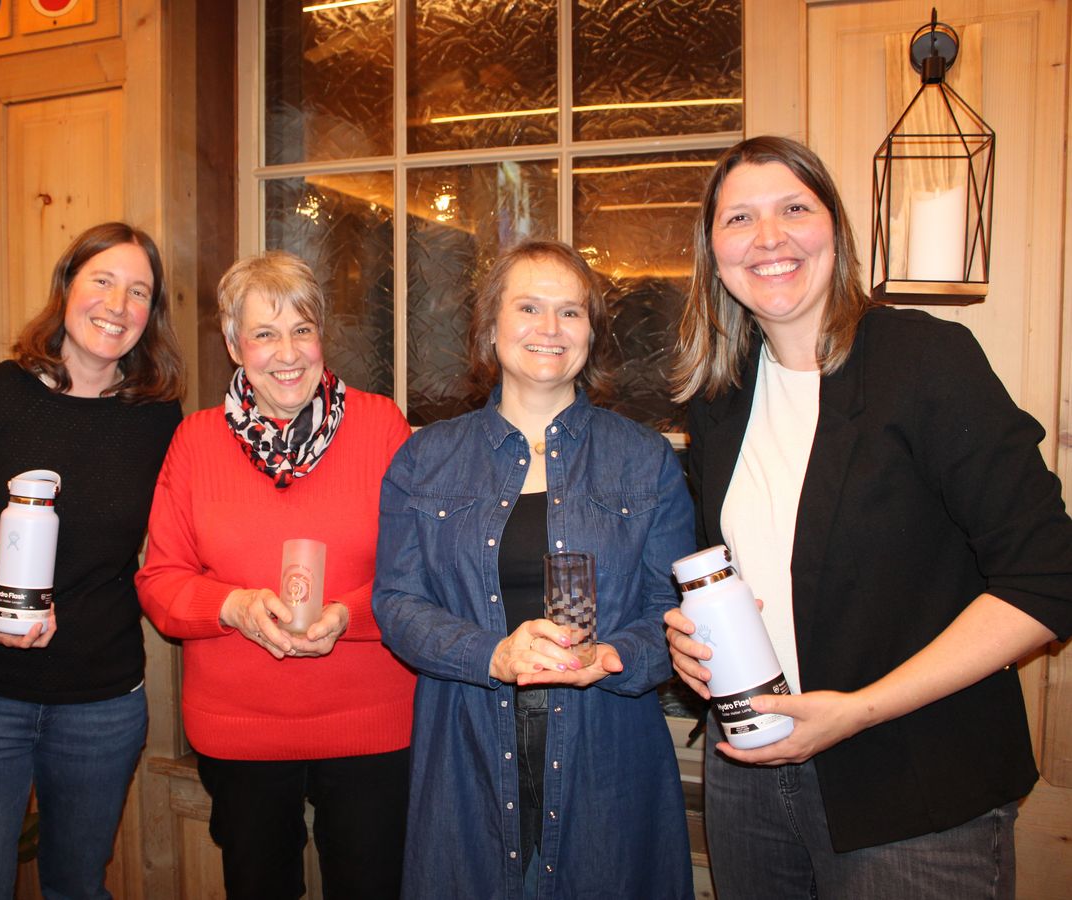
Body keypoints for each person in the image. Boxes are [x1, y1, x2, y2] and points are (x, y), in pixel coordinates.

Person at [667, 135, 1072, 899]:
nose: (769, 237)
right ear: (713, 255)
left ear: (836, 230)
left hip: (912, 785)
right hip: (751, 778)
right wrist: (692, 641)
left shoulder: (924, 361)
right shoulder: (719, 402)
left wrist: (858, 712)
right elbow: (743, 576)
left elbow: (1048, 580)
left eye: (794, 209)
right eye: (740, 218)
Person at [372, 240, 695, 899]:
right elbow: (397, 603)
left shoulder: (645, 460)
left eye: (570, 312)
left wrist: (613, 654)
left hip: (608, 756)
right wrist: (492, 654)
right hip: (466, 752)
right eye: (528, 307)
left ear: (591, 335)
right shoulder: (424, 460)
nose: (550, 327)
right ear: (490, 327)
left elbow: (673, 608)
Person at [0, 222, 185, 899]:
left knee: (78, 888)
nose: (117, 305)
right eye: (102, 281)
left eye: (139, 292)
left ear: (151, 313)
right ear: (66, 287)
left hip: (101, 703)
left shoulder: (159, 420)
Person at [135, 251, 415, 900]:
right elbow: (160, 580)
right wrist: (231, 607)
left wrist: (348, 615)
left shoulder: (381, 426)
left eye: (301, 330)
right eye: (264, 334)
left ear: (321, 337)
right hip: (241, 732)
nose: (287, 353)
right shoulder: (195, 441)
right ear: (235, 346)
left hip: (370, 727)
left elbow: (422, 572)